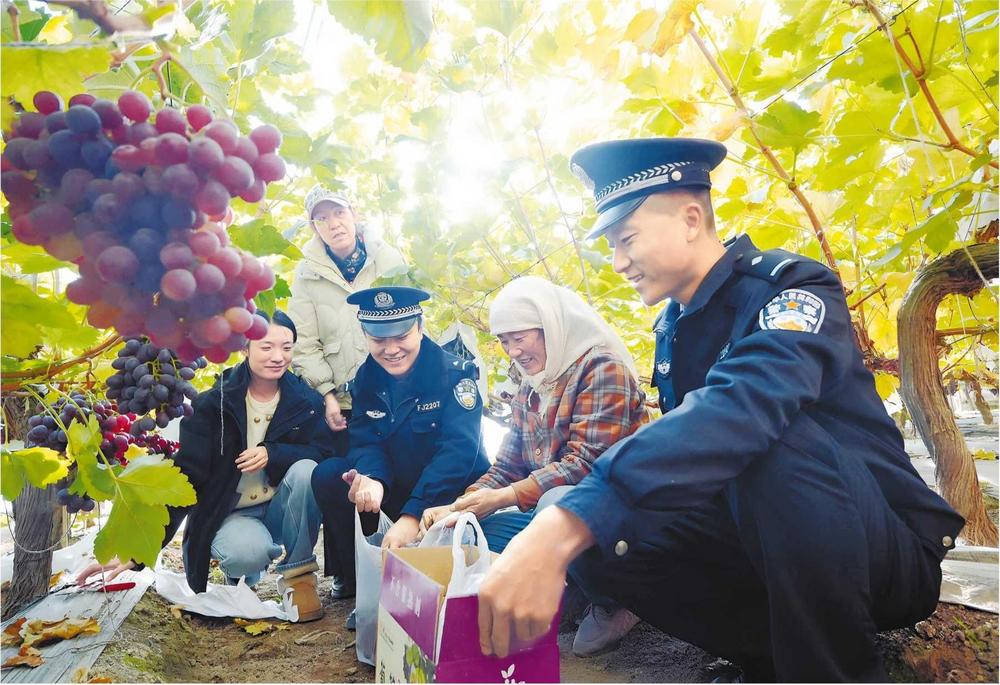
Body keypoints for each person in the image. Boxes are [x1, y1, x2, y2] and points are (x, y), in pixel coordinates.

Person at [473, 137, 965, 681]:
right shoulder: (673, 331)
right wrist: (570, 514)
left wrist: (568, 521)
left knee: (766, 442)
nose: (617, 263)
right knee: (594, 528)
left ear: (690, 218)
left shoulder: (793, 289)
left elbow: (740, 408)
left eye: (626, 239)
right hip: (759, 547)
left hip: (880, 554)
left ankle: (831, 670)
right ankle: (770, 658)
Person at [419, 275, 649, 656]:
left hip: (622, 514)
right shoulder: (531, 386)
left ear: (550, 327)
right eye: (504, 341)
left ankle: (615, 599)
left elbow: (586, 463)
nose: (513, 351)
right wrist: (463, 505)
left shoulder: (601, 369)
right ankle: (576, 584)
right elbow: (508, 463)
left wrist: (506, 496)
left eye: (520, 337)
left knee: (554, 503)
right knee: (478, 527)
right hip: (566, 516)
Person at [77, 311, 335, 622]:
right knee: (245, 553)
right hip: (233, 513)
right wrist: (138, 552)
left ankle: (299, 578)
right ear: (245, 348)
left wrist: (274, 453)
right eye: (266, 347)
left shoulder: (306, 401)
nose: (278, 357)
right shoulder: (213, 404)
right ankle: (243, 577)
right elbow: (187, 477)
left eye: (287, 347)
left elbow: (323, 452)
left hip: (285, 510)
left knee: (307, 469)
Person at [310, 286, 490, 627]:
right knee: (330, 475)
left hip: (448, 495)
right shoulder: (366, 378)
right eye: (379, 340)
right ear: (365, 335)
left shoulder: (456, 375)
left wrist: (413, 515)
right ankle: (362, 584)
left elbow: (459, 452)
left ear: (420, 328)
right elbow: (364, 440)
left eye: (401, 336)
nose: (391, 350)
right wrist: (373, 481)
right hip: (397, 485)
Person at [289, 184, 406, 440]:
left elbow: (412, 327)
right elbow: (304, 343)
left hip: (397, 395)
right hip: (343, 407)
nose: (333, 224)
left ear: (354, 214)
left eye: (339, 212)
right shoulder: (306, 275)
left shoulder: (389, 259)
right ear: (314, 228)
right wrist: (327, 395)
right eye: (322, 218)